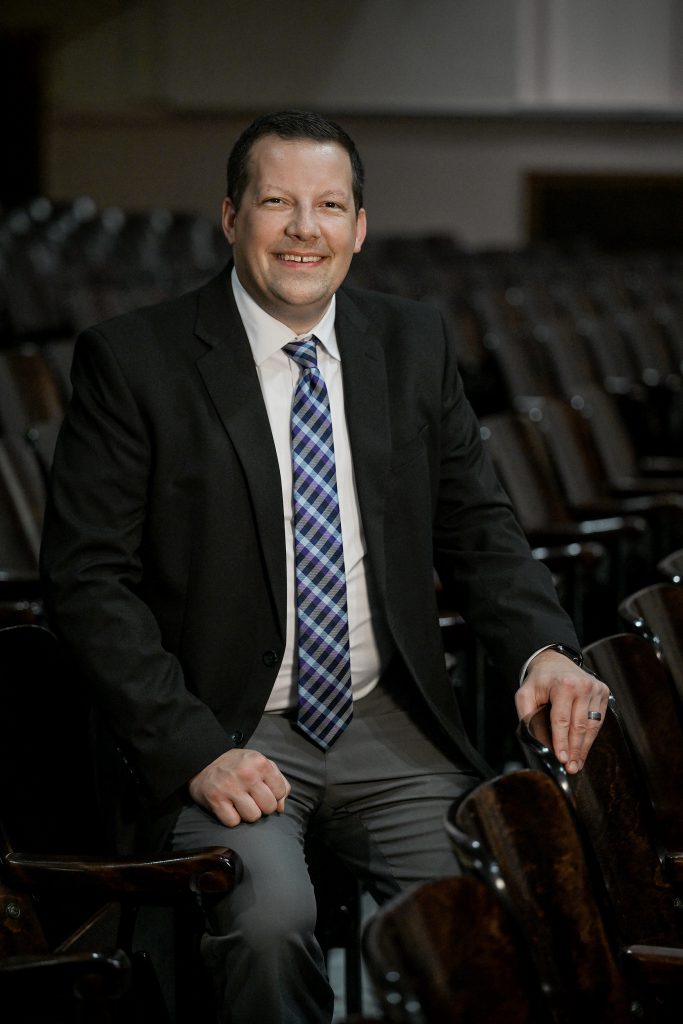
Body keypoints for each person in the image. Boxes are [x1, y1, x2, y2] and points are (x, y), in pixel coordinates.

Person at [40, 110, 609, 1023]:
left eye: (329, 206)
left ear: (359, 228)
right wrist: (195, 750)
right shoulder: (135, 360)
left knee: (512, 906)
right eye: (278, 202)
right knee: (270, 923)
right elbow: (84, 585)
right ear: (231, 218)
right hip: (229, 726)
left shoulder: (411, 343)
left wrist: (544, 648)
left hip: (386, 717)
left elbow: (479, 528)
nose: (305, 228)